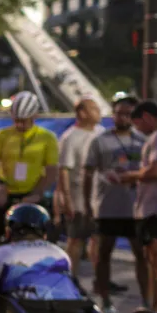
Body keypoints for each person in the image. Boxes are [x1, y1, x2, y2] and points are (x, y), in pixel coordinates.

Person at [108, 100, 157, 313]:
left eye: (137, 123)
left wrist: (128, 176)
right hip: (150, 207)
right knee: (153, 258)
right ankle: (156, 311)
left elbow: (155, 171)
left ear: (147, 117)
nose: (136, 129)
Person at [81, 96, 146, 313]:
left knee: (142, 254)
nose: (123, 117)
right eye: (119, 113)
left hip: (135, 208)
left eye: (128, 113)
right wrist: (88, 205)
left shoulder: (142, 141)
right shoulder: (100, 141)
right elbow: (88, 173)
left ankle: (146, 303)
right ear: (113, 115)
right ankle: (106, 300)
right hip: (107, 207)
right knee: (103, 254)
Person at [0, 91, 58, 261]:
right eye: (16, 120)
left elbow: (51, 170)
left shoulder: (46, 138)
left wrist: (37, 192)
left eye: (25, 120)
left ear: (35, 116)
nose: (20, 124)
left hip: (32, 195)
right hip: (7, 194)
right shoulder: (2, 135)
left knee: (45, 243)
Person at [55, 98, 102, 277]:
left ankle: (101, 279)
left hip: (99, 199)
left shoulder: (101, 133)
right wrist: (67, 201)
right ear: (82, 113)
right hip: (79, 199)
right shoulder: (70, 137)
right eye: (94, 109)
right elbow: (64, 171)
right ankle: (71, 277)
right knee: (76, 240)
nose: (98, 112)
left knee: (98, 240)